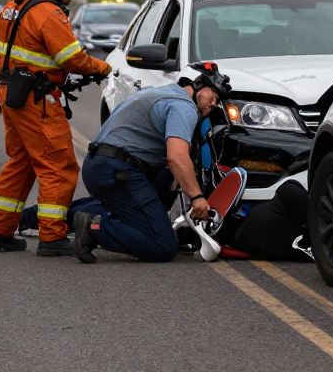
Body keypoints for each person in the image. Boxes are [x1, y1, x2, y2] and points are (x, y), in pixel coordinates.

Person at [0, 0, 112, 257]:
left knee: (21, 163)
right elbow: (73, 58)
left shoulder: (15, 4)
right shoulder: (49, 13)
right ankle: (52, 237)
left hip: (10, 94)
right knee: (59, 165)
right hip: (36, 100)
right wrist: (103, 68)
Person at [73, 62, 231, 264]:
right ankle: (94, 228)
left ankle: (44, 219)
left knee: (159, 181)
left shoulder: (154, 93)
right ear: (198, 84)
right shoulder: (184, 107)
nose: (213, 103)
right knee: (163, 246)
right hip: (119, 171)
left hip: (98, 166)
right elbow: (177, 157)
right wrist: (197, 197)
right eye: (213, 96)